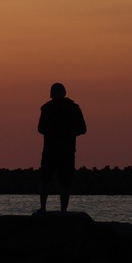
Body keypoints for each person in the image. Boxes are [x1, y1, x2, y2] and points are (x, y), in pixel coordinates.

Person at [37, 82, 87, 213]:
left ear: (52, 94)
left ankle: (43, 208)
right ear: (64, 93)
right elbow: (83, 129)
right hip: (67, 149)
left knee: (45, 178)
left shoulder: (47, 108)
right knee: (65, 180)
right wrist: (70, 134)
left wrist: (53, 133)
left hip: (50, 149)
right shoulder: (73, 107)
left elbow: (40, 129)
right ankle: (63, 210)